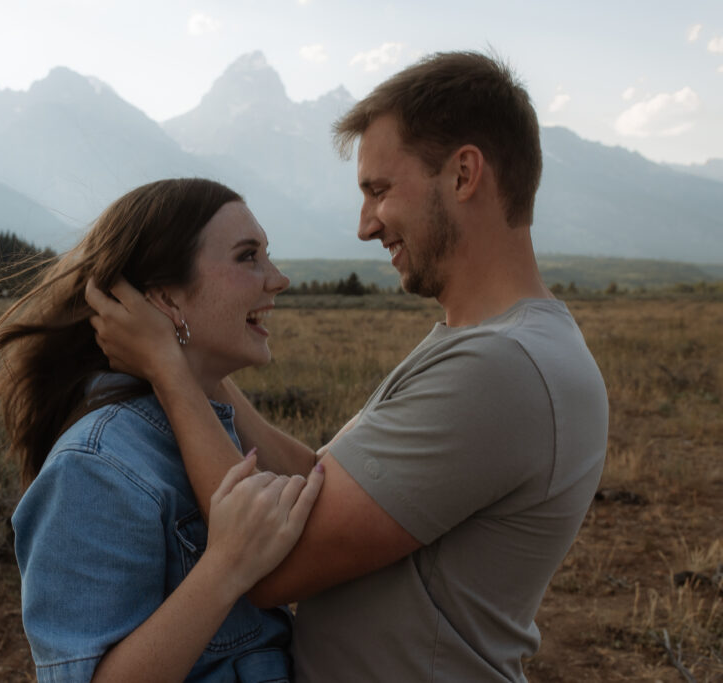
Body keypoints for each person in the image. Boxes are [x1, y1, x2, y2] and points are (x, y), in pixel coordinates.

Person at [85, 51, 609, 681]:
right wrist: (199, 361)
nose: (365, 226)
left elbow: (271, 563)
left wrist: (170, 371)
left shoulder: (501, 368)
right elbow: (315, 490)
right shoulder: (479, 344)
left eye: (379, 190)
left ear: (464, 174)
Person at [0, 178, 324, 682]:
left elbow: (317, 483)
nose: (278, 279)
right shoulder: (97, 465)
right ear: (166, 300)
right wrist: (226, 566)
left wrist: (181, 364)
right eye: (248, 257)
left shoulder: (200, 427)